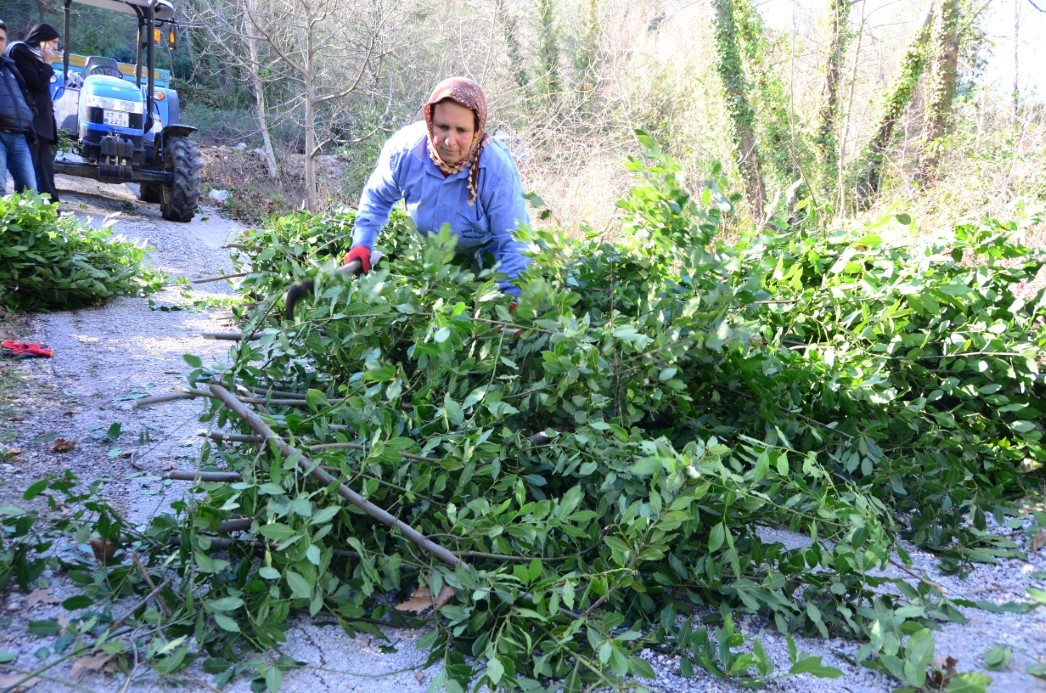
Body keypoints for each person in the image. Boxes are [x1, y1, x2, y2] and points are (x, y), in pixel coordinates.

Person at [344, 77, 530, 297]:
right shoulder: (404, 152)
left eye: (462, 130)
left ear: (476, 132)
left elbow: (515, 240)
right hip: (431, 258)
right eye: (443, 127)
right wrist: (362, 242)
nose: (450, 141)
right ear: (430, 122)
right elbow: (377, 199)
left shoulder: (496, 170)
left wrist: (511, 298)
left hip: (489, 260)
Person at [7, 23, 60, 204]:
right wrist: (47, 64)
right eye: (53, 42)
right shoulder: (20, 51)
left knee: (45, 171)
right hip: (31, 123)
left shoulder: (36, 57)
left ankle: (52, 212)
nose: (55, 47)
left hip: (42, 125)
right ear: (42, 41)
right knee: (29, 176)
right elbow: (35, 83)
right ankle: (29, 212)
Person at [0, 19, 37, 195]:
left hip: (19, 136)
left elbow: (26, 95)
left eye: (1, 39)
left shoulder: (10, 67)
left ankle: (22, 224)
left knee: (30, 192)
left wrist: (31, 114)